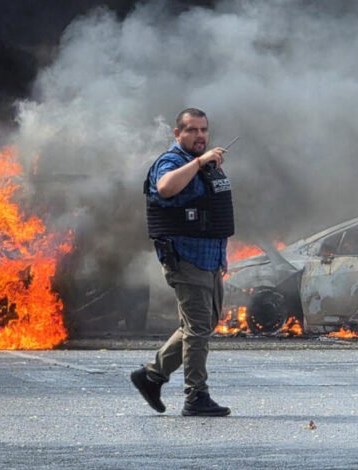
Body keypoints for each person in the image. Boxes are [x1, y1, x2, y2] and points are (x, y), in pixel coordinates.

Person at [131, 107, 233, 417]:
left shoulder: (206, 164)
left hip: (209, 258)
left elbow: (213, 211)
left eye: (204, 130)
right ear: (178, 134)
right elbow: (165, 188)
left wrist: (222, 256)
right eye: (192, 130)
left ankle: (152, 375)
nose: (200, 135)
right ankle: (196, 396)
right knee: (198, 328)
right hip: (186, 258)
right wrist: (199, 162)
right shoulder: (172, 161)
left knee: (201, 325)